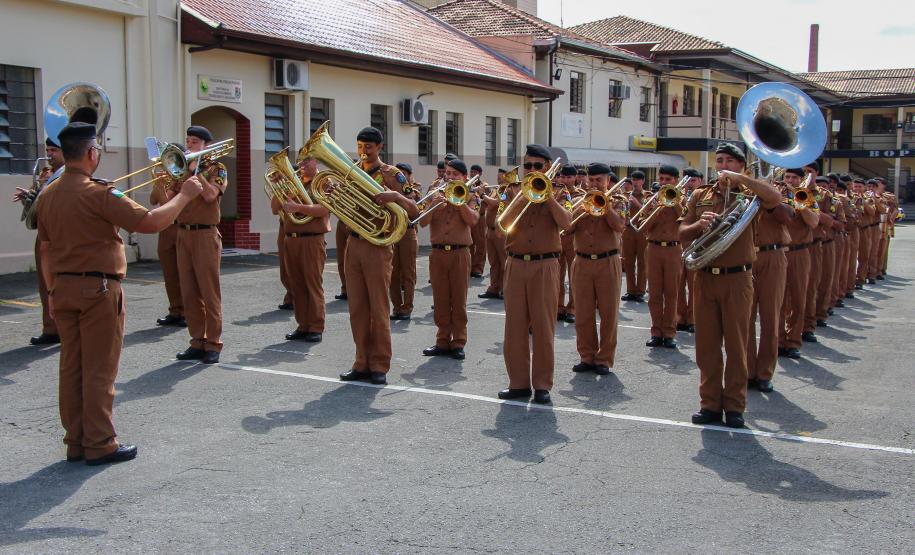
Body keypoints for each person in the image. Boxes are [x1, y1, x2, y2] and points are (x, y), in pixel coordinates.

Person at [37, 121, 204, 465]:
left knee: (71, 366)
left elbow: (45, 249)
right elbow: (152, 222)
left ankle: (76, 440)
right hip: (98, 288)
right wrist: (185, 196)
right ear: (91, 153)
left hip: (63, 287)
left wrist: (52, 290)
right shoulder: (99, 192)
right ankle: (100, 443)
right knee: (99, 368)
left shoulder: (49, 194)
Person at [679, 143, 781, 428]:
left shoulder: (752, 196)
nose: (721, 165)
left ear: (740, 165)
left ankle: (735, 406)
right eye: (718, 160)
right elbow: (681, 231)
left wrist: (743, 180)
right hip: (705, 276)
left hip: (738, 278)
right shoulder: (701, 194)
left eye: (728, 161)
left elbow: (775, 198)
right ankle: (710, 404)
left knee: (737, 345)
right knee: (706, 345)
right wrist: (699, 224)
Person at [338, 127, 419, 386]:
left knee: (379, 307)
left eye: (369, 147)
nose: (363, 151)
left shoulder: (392, 174)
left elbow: (415, 210)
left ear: (380, 147)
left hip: (378, 245)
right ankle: (361, 361)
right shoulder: (352, 171)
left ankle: (379, 364)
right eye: (360, 146)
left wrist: (395, 195)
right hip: (354, 242)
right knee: (357, 307)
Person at [497, 144, 571, 405]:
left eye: (537, 167)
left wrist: (547, 196)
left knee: (543, 326)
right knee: (514, 327)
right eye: (527, 165)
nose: (531, 170)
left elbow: (567, 223)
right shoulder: (512, 192)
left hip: (545, 265)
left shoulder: (562, 192)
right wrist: (521, 197)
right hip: (516, 264)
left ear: (548, 169)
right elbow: (502, 225)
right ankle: (518, 383)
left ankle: (542, 385)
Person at [174, 125, 228, 365]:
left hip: (205, 235)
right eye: (188, 141)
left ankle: (213, 343)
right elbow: (168, 199)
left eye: (194, 142)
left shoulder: (218, 168)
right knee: (189, 291)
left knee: (209, 290)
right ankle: (197, 340)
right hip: (183, 233)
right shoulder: (180, 168)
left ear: (206, 145)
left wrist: (196, 174)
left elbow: (209, 196)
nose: (189, 145)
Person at [566, 163, 625, 375]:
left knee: (608, 312)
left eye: (599, 180)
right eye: (591, 180)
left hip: (607, 261)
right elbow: (567, 228)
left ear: (608, 181)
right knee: (583, 312)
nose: (594, 184)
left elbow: (620, 226)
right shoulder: (578, 201)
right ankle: (587, 356)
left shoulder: (619, 200)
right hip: (581, 262)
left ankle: (604, 359)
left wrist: (605, 205)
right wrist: (580, 208)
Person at [419, 158, 479, 360]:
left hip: (460, 253)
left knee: (459, 299)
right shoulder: (434, 192)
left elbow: (472, 221)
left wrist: (459, 202)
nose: (450, 177)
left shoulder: (471, 195)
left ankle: (459, 342)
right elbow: (423, 223)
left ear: (464, 177)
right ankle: (442, 340)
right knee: (440, 299)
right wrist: (433, 205)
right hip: (438, 253)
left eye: (455, 174)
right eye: (448, 173)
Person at [273, 153, 331, 342]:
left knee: (312, 284)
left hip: (312, 239)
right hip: (291, 239)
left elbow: (324, 210)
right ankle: (303, 325)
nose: (302, 164)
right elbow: (275, 208)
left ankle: (316, 326)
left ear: (317, 162)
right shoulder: (293, 181)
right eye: (300, 161)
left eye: (307, 160)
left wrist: (299, 208)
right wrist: (279, 186)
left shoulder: (324, 182)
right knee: (296, 284)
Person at [13, 137, 65, 345]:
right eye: (48, 150)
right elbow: (33, 217)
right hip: (44, 236)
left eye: (54, 150)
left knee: (62, 284)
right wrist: (31, 198)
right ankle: (51, 328)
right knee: (45, 285)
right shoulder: (46, 175)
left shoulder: (69, 177)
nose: (49, 154)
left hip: (62, 236)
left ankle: (65, 327)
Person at [747, 180, 792, 392]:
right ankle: (746, 370)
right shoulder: (741, 194)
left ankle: (764, 373)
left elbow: (786, 217)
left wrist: (770, 199)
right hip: (746, 256)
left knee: (770, 316)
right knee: (744, 318)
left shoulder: (781, 197)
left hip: (773, 255)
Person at [777, 168, 819, 360]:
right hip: (778, 252)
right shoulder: (776, 194)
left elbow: (814, 223)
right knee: (777, 300)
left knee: (798, 297)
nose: (790, 180)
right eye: (787, 177)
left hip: (799, 253)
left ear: (801, 180)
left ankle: (793, 341)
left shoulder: (807, 197)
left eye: (794, 177)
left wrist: (802, 206)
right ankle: (777, 340)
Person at [641, 165, 682, 349]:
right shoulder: (651, 200)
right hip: (654, 248)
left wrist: (675, 203)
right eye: (662, 179)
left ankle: (670, 332)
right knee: (655, 293)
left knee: (672, 293)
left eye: (668, 179)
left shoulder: (683, 200)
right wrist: (657, 208)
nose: (664, 183)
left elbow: (686, 220)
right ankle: (656, 331)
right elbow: (643, 226)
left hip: (673, 249)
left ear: (675, 180)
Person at [149, 167, 186, 327]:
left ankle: (187, 312)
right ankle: (175, 311)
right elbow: (153, 200)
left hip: (180, 228)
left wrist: (164, 187)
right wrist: (158, 184)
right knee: (169, 274)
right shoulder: (170, 182)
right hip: (166, 229)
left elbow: (167, 205)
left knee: (183, 274)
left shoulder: (186, 180)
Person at [389, 162, 421, 320]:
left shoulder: (411, 191)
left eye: (403, 174)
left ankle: (407, 307)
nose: (399, 176)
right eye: (397, 173)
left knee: (408, 273)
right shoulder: (389, 188)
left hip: (408, 232)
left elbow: (416, 213)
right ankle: (396, 307)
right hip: (393, 233)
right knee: (393, 273)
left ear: (409, 176)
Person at [478, 168, 513, 300]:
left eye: (501, 178)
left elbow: (495, 204)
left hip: (500, 231)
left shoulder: (506, 192)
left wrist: (482, 195)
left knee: (504, 261)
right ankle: (494, 288)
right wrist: (484, 197)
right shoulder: (495, 190)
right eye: (498, 178)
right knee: (493, 262)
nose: (498, 180)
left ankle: (505, 288)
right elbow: (486, 206)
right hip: (490, 231)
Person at [676, 169, 702, 333]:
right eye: (687, 181)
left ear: (700, 181)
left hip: (697, 246)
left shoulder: (703, 198)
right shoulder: (678, 198)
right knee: (678, 284)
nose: (689, 184)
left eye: (693, 181)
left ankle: (692, 318)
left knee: (694, 285)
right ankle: (680, 317)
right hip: (679, 246)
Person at [556, 164, 581, 323]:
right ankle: (558, 306)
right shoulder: (554, 192)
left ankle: (572, 307)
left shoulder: (581, 195)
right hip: (557, 237)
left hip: (572, 238)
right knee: (557, 274)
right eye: (563, 177)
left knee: (573, 275)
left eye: (569, 177)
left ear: (575, 178)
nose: (565, 180)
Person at [621, 170, 648, 302]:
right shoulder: (625, 195)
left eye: (638, 180)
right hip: (629, 231)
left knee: (642, 262)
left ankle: (640, 291)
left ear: (643, 181)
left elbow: (651, 212)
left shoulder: (648, 196)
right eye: (633, 180)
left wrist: (638, 204)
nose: (635, 182)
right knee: (629, 262)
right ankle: (631, 290)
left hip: (642, 231)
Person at [468, 164, 488, 279]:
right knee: (469, 243)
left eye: (475, 172)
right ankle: (469, 267)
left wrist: (479, 191)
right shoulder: (466, 183)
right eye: (471, 172)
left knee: (480, 243)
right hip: (469, 215)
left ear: (480, 174)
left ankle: (478, 268)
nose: (472, 174)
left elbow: (487, 196)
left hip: (480, 216)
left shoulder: (484, 185)